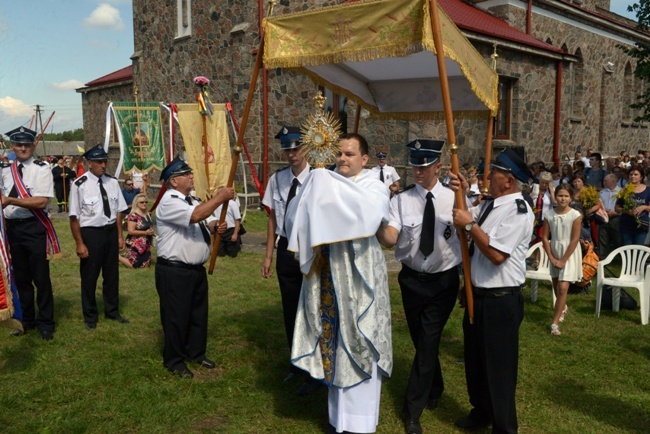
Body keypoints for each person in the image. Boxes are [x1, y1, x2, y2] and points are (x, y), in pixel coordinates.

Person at [286, 133, 392, 434]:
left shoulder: (374, 186)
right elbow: (294, 214)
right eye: (339, 154)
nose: (342, 159)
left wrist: (326, 189)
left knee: (360, 338)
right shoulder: (324, 179)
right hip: (329, 276)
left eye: (349, 154)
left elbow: (367, 215)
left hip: (360, 279)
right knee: (333, 341)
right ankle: (337, 420)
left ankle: (361, 424)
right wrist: (317, 185)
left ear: (364, 159)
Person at [376, 139, 460, 434]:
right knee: (421, 340)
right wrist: (375, 224)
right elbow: (390, 237)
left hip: (443, 282)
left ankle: (412, 411)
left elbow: (469, 233)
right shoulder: (402, 199)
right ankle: (434, 385)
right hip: (412, 281)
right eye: (415, 165)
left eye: (424, 166)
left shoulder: (455, 199)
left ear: (438, 166)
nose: (418, 170)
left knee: (426, 344)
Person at [452, 147, 534, 433]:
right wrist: (461, 190)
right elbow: (463, 215)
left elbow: (497, 255)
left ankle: (504, 427)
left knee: (499, 369)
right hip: (478, 296)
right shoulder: (491, 204)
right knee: (475, 361)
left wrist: (470, 225)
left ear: (509, 180)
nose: (489, 176)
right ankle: (481, 412)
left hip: (501, 301)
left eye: (495, 172)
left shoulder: (518, 210)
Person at [155, 156, 234, 378]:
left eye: (190, 172)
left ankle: (196, 352)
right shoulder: (169, 201)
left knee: (198, 314)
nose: (191, 176)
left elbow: (203, 220)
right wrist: (220, 197)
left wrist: (215, 226)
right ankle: (175, 359)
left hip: (195, 269)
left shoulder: (192, 199)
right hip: (174, 269)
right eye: (185, 174)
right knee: (176, 316)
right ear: (173, 181)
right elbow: (197, 215)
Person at [260, 126, 314, 391]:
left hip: (312, 250)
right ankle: (296, 364)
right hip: (286, 251)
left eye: (296, 148)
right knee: (291, 309)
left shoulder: (320, 177)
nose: (292, 154)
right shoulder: (277, 179)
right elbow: (272, 219)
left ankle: (314, 365)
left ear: (305, 148)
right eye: (287, 149)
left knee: (313, 307)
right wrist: (268, 256)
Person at [0, 126, 58, 340]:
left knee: (40, 278)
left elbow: (42, 201)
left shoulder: (42, 169)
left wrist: (11, 200)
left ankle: (46, 322)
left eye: (26, 144)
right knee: (21, 278)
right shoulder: (5, 170)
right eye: (18, 144)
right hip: (12, 229)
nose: (23, 148)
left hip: (34, 227)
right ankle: (27, 320)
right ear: (12, 146)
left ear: (33, 146)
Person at [68, 144, 129, 330]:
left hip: (110, 232)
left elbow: (119, 211)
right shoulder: (79, 185)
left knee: (112, 275)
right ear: (89, 163)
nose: (103, 165)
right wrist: (80, 243)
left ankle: (112, 310)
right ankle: (90, 316)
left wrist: (119, 235)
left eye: (105, 161)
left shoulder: (112, 182)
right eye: (99, 162)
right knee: (90, 276)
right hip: (91, 233)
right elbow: (74, 217)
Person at [542, 184, 582, 336]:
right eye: (560, 195)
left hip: (569, 253)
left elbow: (575, 239)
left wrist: (564, 260)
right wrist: (551, 257)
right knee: (556, 285)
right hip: (554, 251)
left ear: (571, 198)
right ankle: (563, 306)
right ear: (555, 197)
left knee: (563, 287)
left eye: (566, 196)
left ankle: (554, 323)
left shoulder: (575, 215)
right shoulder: (549, 214)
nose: (563, 198)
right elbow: (545, 237)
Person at [615, 165, 650, 246]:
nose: (633, 176)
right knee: (627, 249)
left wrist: (643, 207)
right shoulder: (624, 190)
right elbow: (617, 208)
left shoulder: (648, 190)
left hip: (642, 225)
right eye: (631, 174)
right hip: (626, 225)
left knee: (638, 249)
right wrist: (627, 211)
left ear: (641, 177)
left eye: (635, 174)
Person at [119, 193, 154, 268]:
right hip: (135, 242)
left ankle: (127, 255)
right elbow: (131, 231)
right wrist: (145, 232)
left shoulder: (147, 214)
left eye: (146, 202)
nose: (144, 204)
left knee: (146, 265)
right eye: (142, 202)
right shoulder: (133, 215)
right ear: (137, 203)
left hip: (146, 242)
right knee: (134, 265)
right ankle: (118, 257)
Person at [598, 174, 621, 258]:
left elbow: (623, 206)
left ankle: (620, 256)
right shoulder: (602, 192)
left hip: (617, 217)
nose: (604, 183)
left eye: (606, 181)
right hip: (604, 217)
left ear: (613, 181)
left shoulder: (621, 192)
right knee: (603, 237)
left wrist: (615, 212)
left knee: (617, 238)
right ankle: (602, 257)